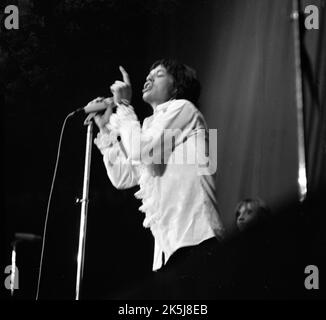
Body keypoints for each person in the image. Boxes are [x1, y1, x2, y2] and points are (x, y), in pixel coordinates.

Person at [91, 59, 225, 299]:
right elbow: (123, 176)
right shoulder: (153, 130)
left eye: (159, 74)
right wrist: (106, 132)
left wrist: (123, 105)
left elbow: (139, 150)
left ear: (176, 88)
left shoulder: (185, 109)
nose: (148, 78)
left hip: (197, 239)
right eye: (149, 73)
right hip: (169, 249)